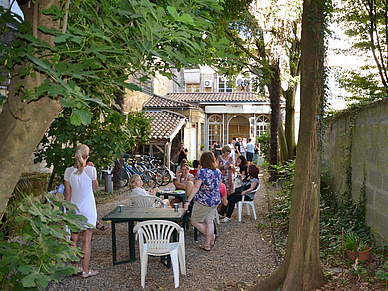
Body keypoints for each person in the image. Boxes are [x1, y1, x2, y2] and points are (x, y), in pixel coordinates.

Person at [64, 144, 99, 278]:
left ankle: (74, 267)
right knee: (86, 241)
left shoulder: (68, 172)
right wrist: (92, 169)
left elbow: (68, 193)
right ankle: (85, 271)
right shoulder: (90, 170)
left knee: (74, 240)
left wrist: (67, 210)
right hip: (88, 209)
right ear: (87, 156)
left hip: (74, 209)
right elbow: (95, 187)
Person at [184, 151, 222, 251]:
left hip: (203, 201)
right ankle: (207, 243)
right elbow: (219, 185)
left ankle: (211, 238)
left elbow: (196, 187)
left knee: (194, 221)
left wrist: (188, 201)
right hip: (215, 200)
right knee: (209, 222)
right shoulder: (218, 172)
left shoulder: (202, 172)